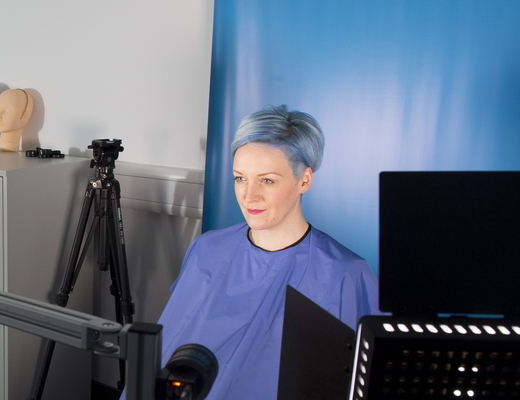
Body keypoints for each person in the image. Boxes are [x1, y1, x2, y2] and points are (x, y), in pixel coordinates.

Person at [139, 105, 380, 399]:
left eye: (267, 180)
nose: (249, 195)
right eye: (240, 178)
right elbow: (168, 347)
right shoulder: (207, 250)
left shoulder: (345, 274)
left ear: (304, 180)